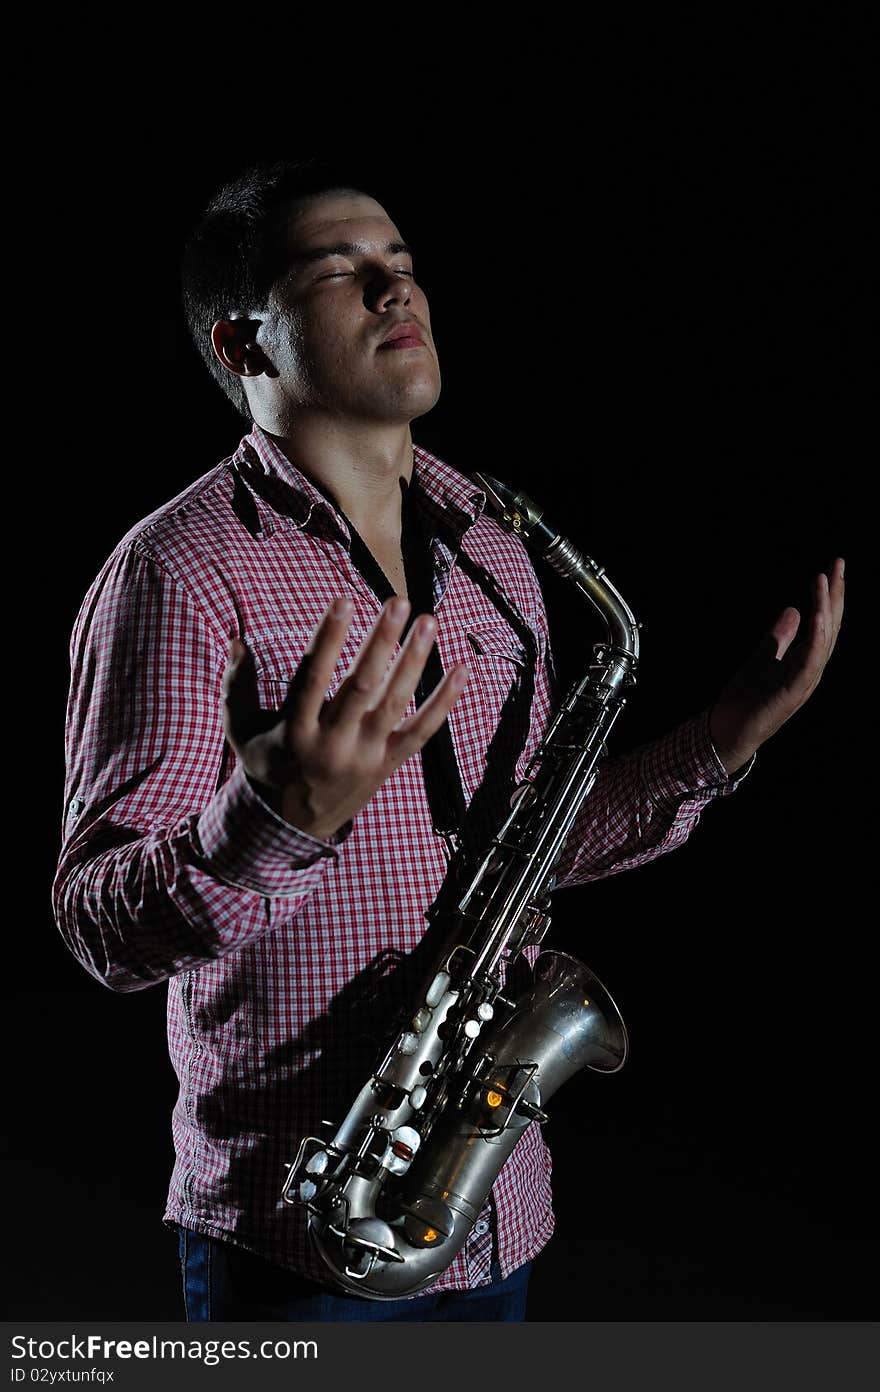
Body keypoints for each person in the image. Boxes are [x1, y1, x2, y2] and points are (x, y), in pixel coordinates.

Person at [52, 157, 844, 1323]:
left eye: (403, 268)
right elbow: (96, 922)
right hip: (298, 1224)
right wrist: (269, 828)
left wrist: (719, 744)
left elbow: (541, 844)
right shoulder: (179, 571)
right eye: (342, 272)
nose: (394, 293)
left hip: (489, 1206)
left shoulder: (491, 541)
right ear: (242, 347)